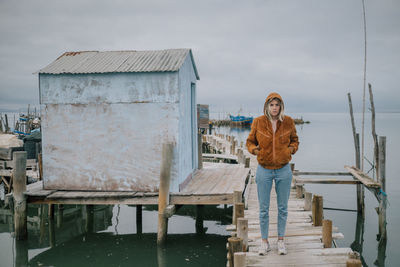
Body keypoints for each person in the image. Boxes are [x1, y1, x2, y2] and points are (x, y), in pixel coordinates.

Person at [246, 92, 299, 255]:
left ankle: (281, 241)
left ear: (281, 106)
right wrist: (255, 151)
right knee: (263, 208)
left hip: (283, 169)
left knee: (282, 208)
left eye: (277, 105)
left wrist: (290, 150)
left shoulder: (288, 121)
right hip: (264, 169)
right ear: (267, 106)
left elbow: (295, 140)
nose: (274, 108)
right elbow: (250, 141)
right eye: (271, 105)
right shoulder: (258, 122)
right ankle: (264, 242)